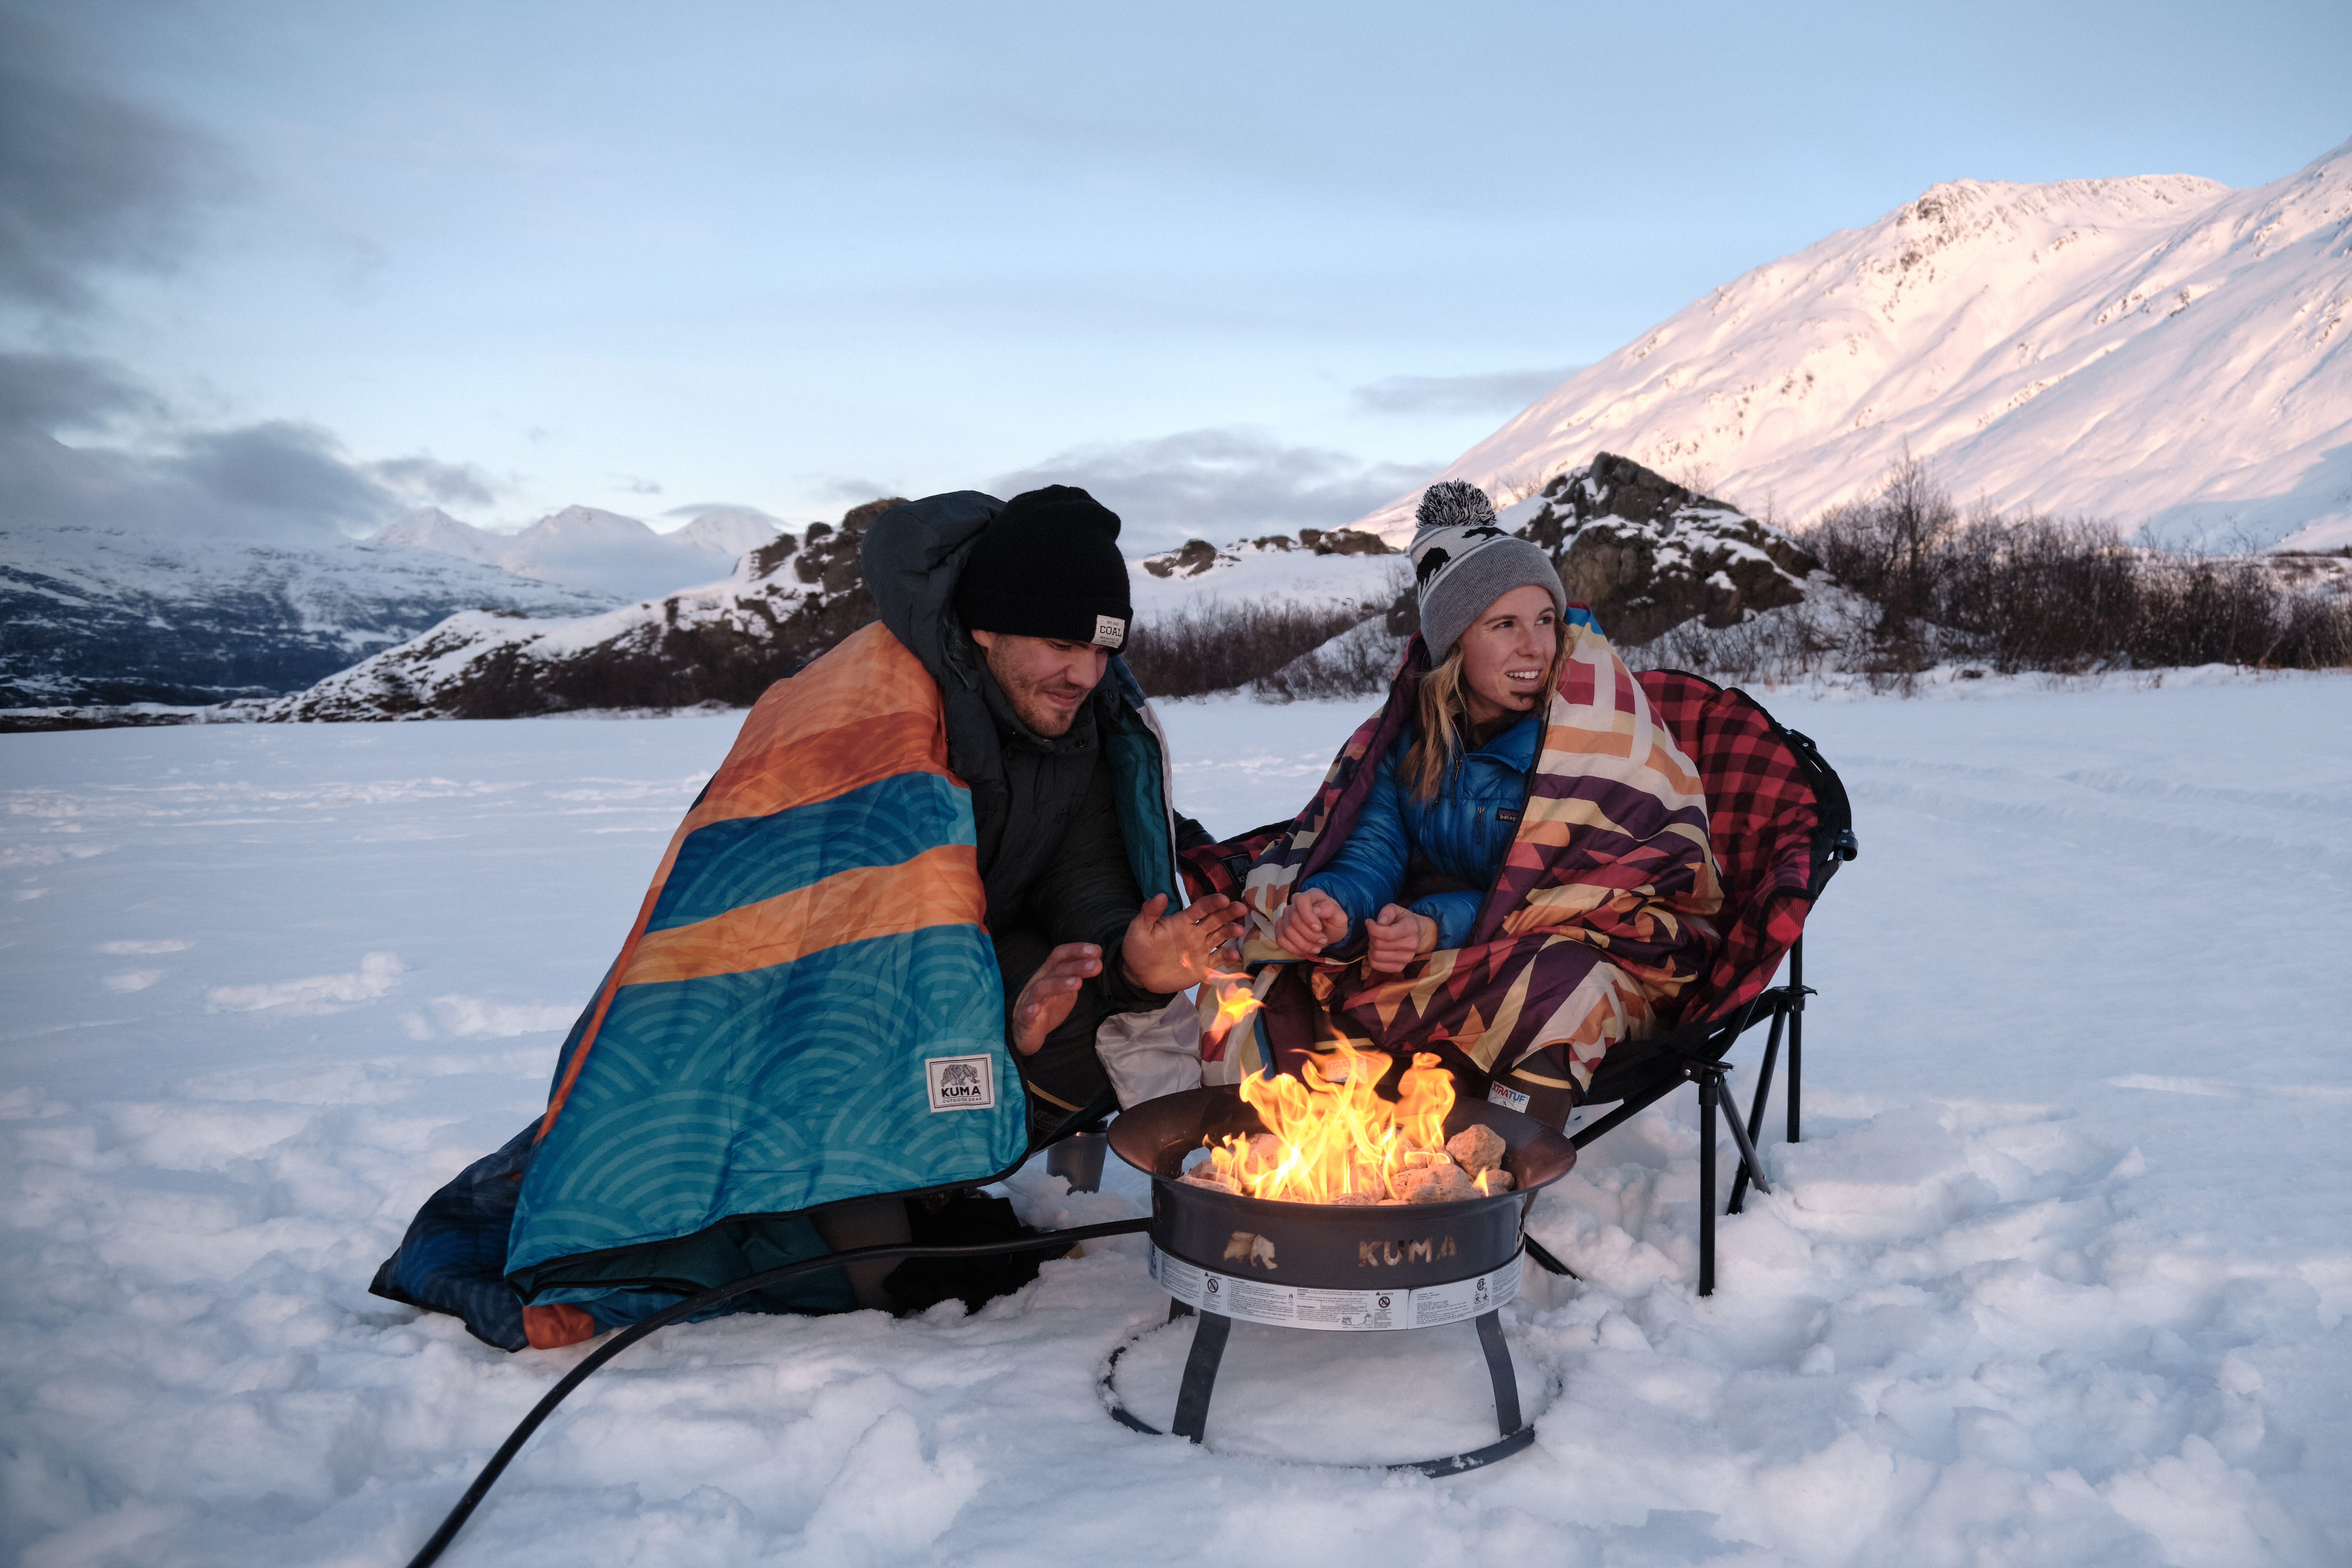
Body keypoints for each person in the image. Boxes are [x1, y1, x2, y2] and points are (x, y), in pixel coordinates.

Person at [373, 485, 1241, 1349]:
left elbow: (1084, 868)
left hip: (944, 962)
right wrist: (990, 1018)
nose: (1085, 675)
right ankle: (863, 1245)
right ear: (987, 626)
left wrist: (1127, 962)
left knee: (1102, 1011)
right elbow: (850, 952)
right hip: (756, 996)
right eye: (1061, 645)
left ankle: (915, 1192)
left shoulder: (1074, 716)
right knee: (924, 1043)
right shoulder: (871, 709)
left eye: (1102, 651)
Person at [1211, 480, 1722, 1128]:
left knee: (1553, 984)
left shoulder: (1593, 743)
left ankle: (1490, 1194)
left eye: (1543, 620)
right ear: (1455, 641)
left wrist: (1431, 925)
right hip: (1462, 951)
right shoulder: (1412, 741)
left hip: (1611, 956)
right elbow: (1373, 848)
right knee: (1298, 970)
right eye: (1503, 625)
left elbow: (1575, 895)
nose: (1534, 647)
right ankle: (1359, 1171)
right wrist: (1335, 908)